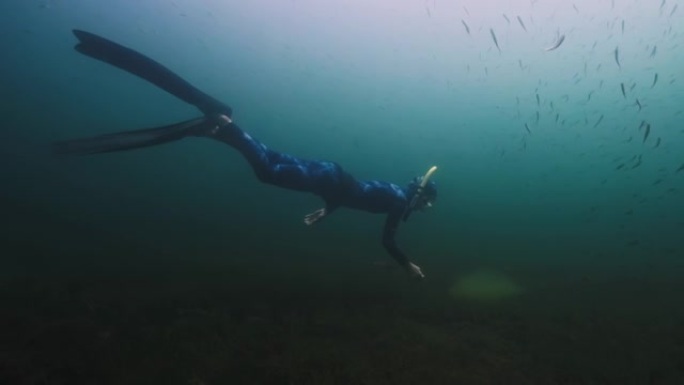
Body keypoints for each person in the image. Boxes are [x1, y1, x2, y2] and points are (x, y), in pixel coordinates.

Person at [54, 30, 438, 279]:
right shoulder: (400, 203)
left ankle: (220, 126)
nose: (423, 211)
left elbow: (359, 193)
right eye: (426, 205)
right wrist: (409, 265)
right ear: (421, 196)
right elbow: (386, 239)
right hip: (330, 178)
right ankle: (223, 124)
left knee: (266, 158)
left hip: (330, 176)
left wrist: (328, 208)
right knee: (266, 171)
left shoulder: (397, 194)